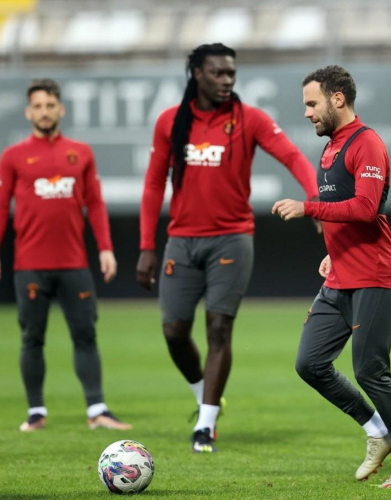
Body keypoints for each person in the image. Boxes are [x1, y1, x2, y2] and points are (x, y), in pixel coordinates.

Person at [136, 43, 319, 453]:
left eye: (231, 74)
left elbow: (293, 157)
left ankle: (205, 425)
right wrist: (147, 246)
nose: (226, 80)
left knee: (218, 328)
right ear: (196, 74)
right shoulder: (170, 121)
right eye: (217, 73)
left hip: (232, 238)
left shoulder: (250, 119)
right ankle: (205, 393)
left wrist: (314, 199)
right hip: (181, 241)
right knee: (173, 332)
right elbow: (153, 183)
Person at [271, 66, 391, 489]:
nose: (307, 113)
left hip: (375, 276)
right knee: (310, 364)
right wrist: (333, 250)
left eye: (312, 103)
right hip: (340, 276)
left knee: (370, 371)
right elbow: (345, 216)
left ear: (337, 98)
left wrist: (308, 207)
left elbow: (365, 208)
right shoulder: (330, 149)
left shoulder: (367, 143)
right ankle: (377, 429)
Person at [0, 78, 131, 432]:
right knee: (32, 338)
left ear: (61, 109)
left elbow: (95, 204)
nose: (44, 112)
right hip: (30, 266)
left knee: (85, 335)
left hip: (74, 264)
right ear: (28, 112)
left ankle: (97, 409)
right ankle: (36, 412)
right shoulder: (13, 156)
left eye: (50, 105)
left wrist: (106, 248)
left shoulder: (81, 152)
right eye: (38, 106)